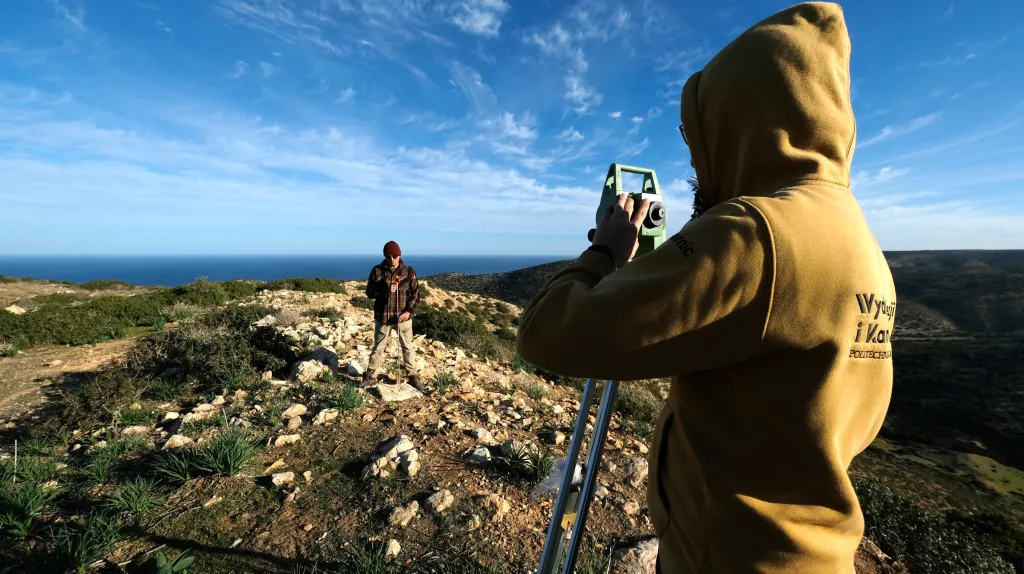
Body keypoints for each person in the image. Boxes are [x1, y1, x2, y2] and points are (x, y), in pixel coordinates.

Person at [516, 3, 896, 573]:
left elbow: (547, 333)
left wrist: (607, 252)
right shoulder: (855, 237)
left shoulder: (755, 231)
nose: (697, 160)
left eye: (702, 135)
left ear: (740, 120)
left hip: (727, 555)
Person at [363, 241, 425, 392]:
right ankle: (370, 376)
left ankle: (413, 377)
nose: (392, 259)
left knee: (407, 347)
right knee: (378, 347)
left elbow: (416, 294)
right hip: (383, 316)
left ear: (400, 254)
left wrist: (409, 311)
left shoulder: (409, 271)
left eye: (395, 256)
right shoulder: (377, 271)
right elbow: (370, 293)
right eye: (389, 256)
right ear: (385, 256)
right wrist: (384, 290)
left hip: (403, 317)